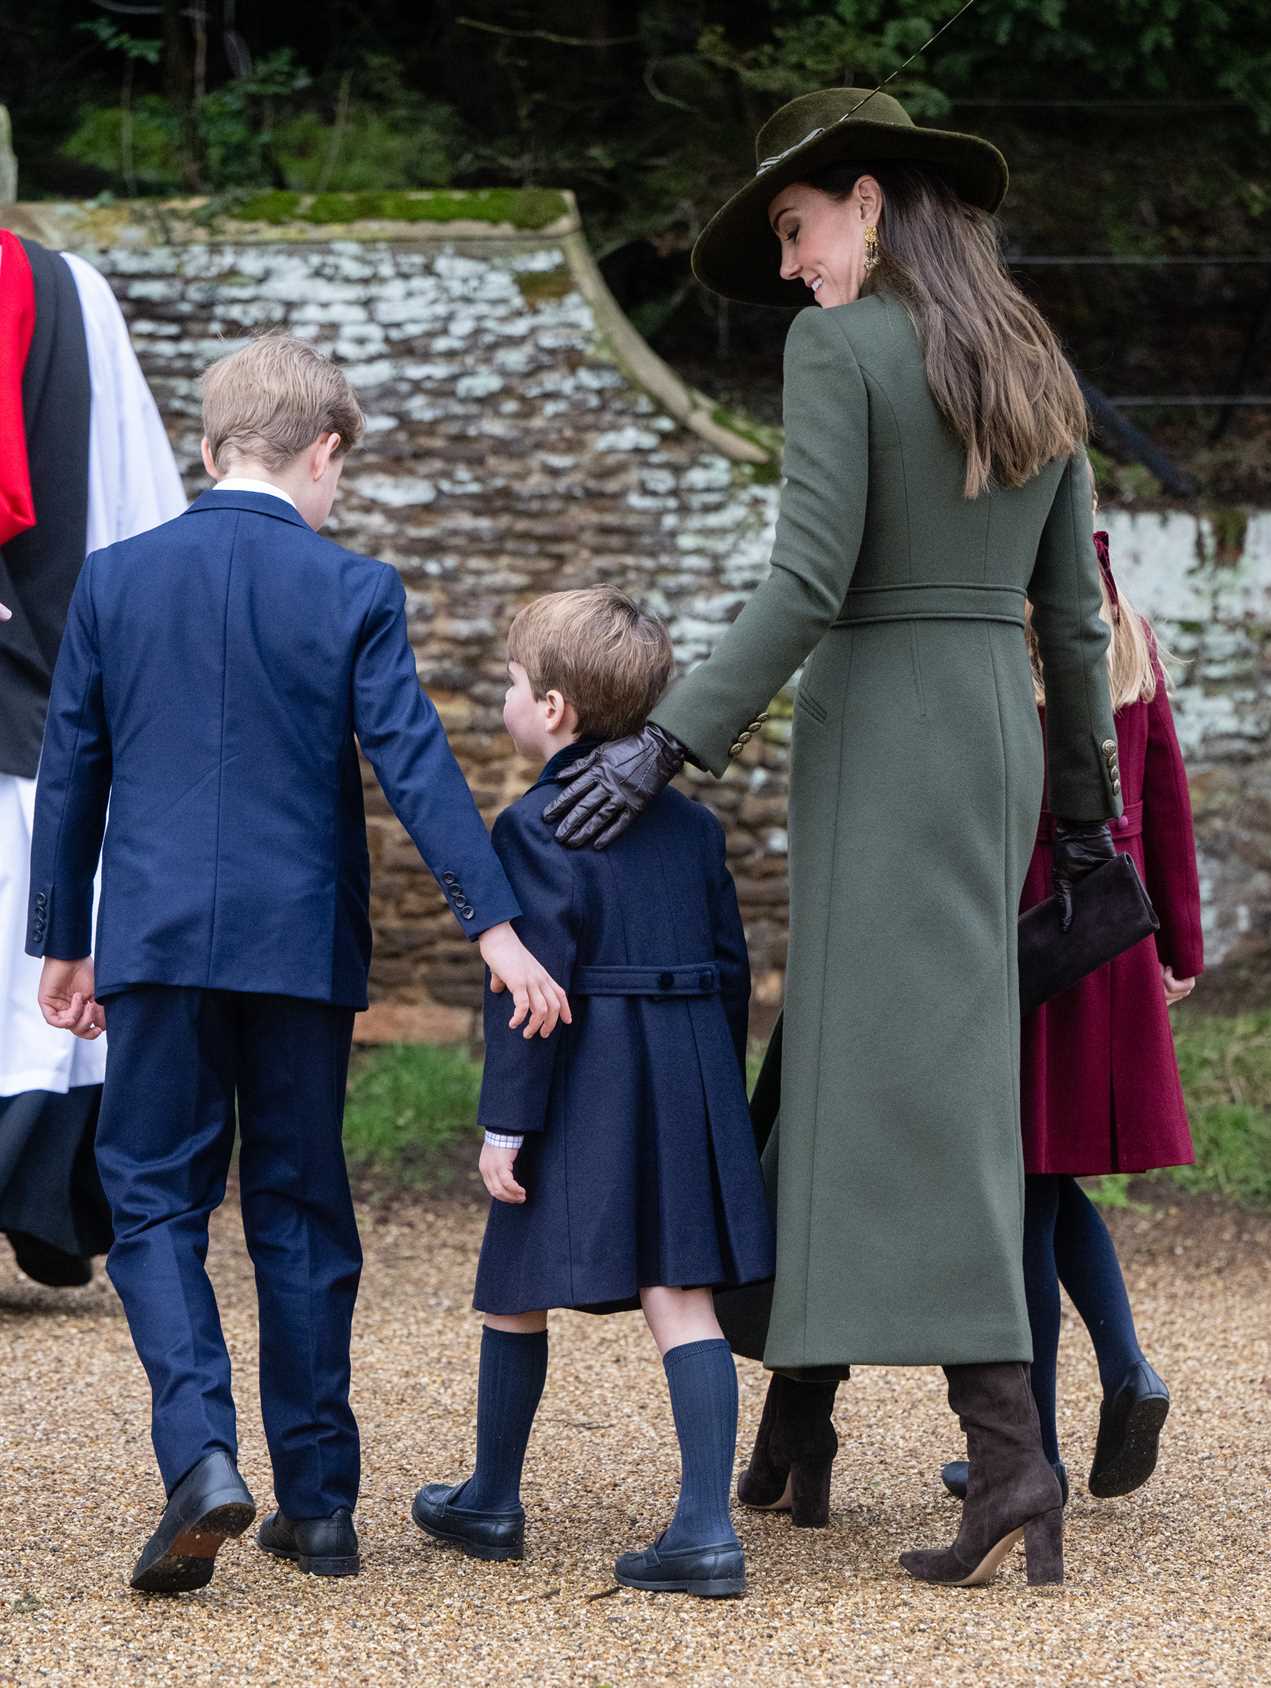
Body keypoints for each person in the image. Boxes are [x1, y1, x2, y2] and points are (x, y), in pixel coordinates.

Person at [545, 87, 1126, 1589]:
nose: (793, 269)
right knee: (853, 1057)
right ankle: (795, 1423)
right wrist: (1083, 817)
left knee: (914, 1091)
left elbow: (806, 582)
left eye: (797, 231)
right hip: (991, 735)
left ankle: (1010, 1460)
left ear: (866, 203)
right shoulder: (1030, 358)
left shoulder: (841, 348)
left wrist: (669, 740)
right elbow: (1074, 618)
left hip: (883, 734)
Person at [27, 334, 570, 1595]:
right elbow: (417, 763)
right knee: (300, 1208)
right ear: (321, 451)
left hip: (155, 944)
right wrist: (491, 926)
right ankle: (319, 1502)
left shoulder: (112, 581)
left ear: (208, 449)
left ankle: (201, 1455)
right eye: (340, 472)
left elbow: (71, 774)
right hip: (299, 948)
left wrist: (64, 939)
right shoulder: (353, 588)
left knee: (154, 1201)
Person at [410, 586, 773, 1599]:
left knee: (517, 1274)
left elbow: (525, 996)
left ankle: (490, 1496)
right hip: (687, 1066)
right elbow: (732, 968)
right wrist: (714, 1088)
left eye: (514, 686)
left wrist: (506, 1124)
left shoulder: (530, 826)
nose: (505, 702)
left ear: (557, 710)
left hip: (585, 1078)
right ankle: (702, 1525)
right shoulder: (695, 830)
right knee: (680, 1287)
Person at [940, 525, 1203, 1506]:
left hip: (1032, 935)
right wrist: (1177, 942)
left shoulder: (1007, 656)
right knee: (1044, 1182)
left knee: (1026, 1194)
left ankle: (1030, 1455)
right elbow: (1165, 800)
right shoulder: (1126, 641)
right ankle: (1122, 1367)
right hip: (1113, 932)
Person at [1, 232, 186, 1289]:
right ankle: (46, 1197)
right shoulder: (72, 294)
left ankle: (46, 1192)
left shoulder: (68, 293)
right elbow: (137, 501)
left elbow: (124, 494)